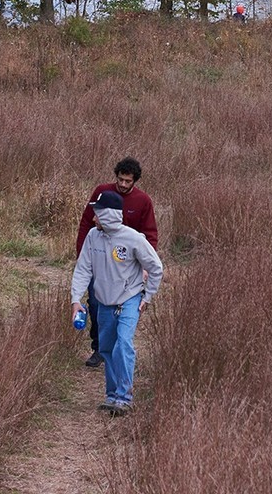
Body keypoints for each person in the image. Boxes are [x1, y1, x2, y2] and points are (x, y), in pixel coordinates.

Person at [71, 191, 163, 416]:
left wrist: (147, 297)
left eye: (97, 214)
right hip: (104, 302)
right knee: (107, 348)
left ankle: (125, 397)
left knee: (123, 344)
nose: (93, 219)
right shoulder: (93, 236)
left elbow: (156, 268)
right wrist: (76, 300)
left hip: (129, 300)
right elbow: (83, 269)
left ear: (109, 215)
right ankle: (112, 396)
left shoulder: (133, 239)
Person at [76, 157, 159, 367]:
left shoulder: (143, 201)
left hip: (128, 263)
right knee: (95, 303)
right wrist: (83, 256)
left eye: (127, 181)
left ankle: (122, 348)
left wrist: (147, 267)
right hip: (100, 258)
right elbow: (87, 222)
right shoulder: (102, 194)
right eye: (120, 179)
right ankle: (99, 348)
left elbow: (149, 234)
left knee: (124, 307)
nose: (123, 184)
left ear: (135, 181)